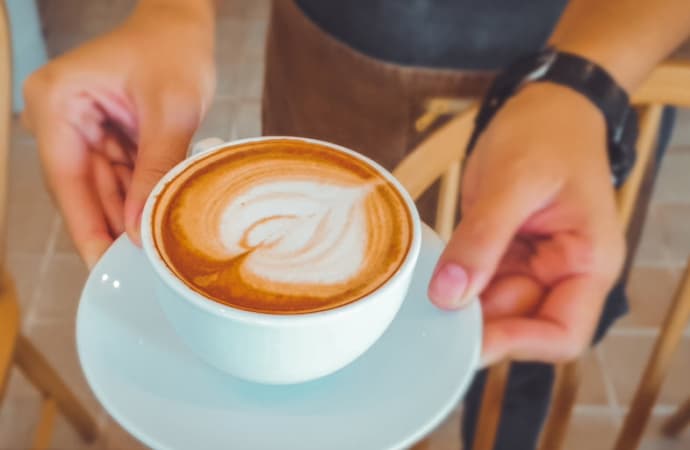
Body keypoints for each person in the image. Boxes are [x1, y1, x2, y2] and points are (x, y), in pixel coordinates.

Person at [21, 1, 690, 448]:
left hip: (606, 44)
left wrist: (583, 80)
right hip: (342, 52)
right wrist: (172, 11)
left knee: (521, 322)